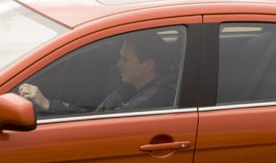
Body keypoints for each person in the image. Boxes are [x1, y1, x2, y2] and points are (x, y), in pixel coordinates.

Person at [19, 31, 177, 115]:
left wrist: (48, 105)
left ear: (148, 64)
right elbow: (95, 115)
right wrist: (47, 104)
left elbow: (96, 124)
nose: (118, 64)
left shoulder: (153, 102)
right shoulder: (133, 88)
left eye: (125, 59)